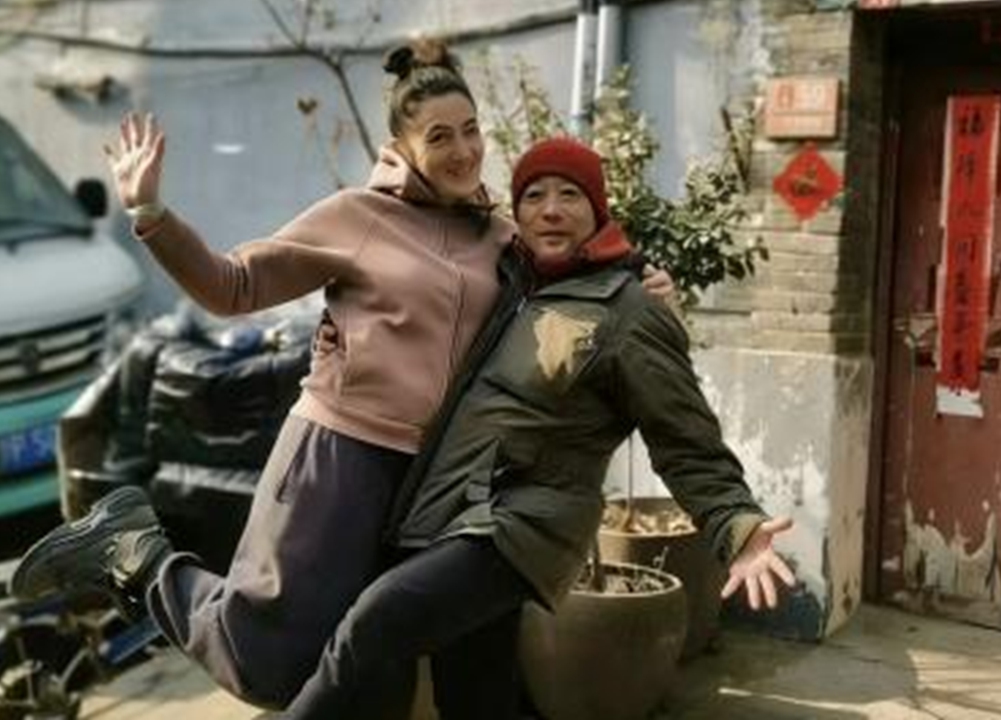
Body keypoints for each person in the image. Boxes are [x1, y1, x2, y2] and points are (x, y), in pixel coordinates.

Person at [9, 43, 673, 713]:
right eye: (439, 137)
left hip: (434, 481)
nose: (463, 150)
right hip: (338, 458)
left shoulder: (501, 238)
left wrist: (644, 287)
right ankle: (137, 553)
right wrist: (150, 214)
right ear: (402, 147)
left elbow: (572, 279)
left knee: (374, 673)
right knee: (267, 660)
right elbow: (233, 285)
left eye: (470, 130)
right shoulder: (357, 218)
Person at [275, 137, 798, 719]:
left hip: (522, 526)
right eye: (534, 196)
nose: (551, 209)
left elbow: (684, 437)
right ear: (516, 213)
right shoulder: (505, 287)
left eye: (569, 195)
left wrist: (736, 525)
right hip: (452, 514)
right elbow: (435, 231)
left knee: (377, 621)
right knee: (475, 695)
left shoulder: (628, 310)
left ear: (597, 210)